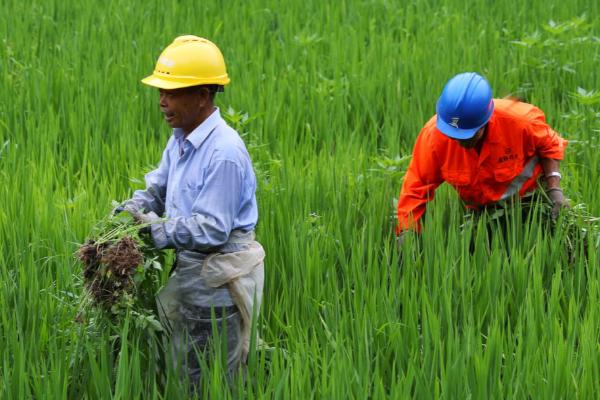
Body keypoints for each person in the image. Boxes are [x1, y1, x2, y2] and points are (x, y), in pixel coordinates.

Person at [118, 35, 265, 386]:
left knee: (209, 376)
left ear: (202, 96)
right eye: (160, 92)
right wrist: (135, 208)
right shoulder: (182, 137)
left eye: (171, 93)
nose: (162, 102)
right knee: (183, 368)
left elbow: (212, 229)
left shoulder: (224, 153)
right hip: (190, 274)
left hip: (216, 283)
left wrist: (153, 229)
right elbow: (161, 186)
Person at [396, 72, 568, 243]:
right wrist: (407, 231)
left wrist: (554, 189)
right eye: (454, 136)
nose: (461, 142)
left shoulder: (520, 122)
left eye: (469, 135)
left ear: (485, 121)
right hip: (481, 213)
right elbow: (416, 186)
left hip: (531, 204)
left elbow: (550, 145)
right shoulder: (433, 137)